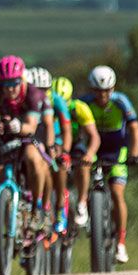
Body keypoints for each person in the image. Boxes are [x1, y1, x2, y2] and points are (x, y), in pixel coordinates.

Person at [0, 55, 53, 259]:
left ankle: (37, 208)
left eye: (13, 83)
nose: (9, 89)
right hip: (5, 132)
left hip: (30, 131)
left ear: (21, 79)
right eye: (4, 84)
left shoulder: (33, 94)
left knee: (33, 157)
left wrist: (18, 126)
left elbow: (31, 126)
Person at [79, 65, 138, 264]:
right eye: (98, 91)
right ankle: (85, 207)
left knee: (116, 192)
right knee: (84, 169)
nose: (102, 95)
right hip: (94, 147)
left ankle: (121, 242)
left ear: (112, 89)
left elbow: (135, 128)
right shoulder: (85, 103)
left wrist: (134, 153)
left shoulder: (121, 101)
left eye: (106, 91)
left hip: (117, 150)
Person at [50, 76, 101, 228]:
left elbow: (94, 136)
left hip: (76, 145)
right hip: (58, 143)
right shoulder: (49, 109)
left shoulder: (79, 108)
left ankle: (82, 202)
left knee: (84, 165)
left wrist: (90, 154)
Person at [27, 66, 71, 233]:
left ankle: (60, 208)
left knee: (58, 164)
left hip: (55, 138)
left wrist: (65, 152)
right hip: (35, 137)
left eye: (44, 90)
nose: (41, 93)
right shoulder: (27, 99)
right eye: (37, 89)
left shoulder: (56, 100)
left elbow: (66, 129)